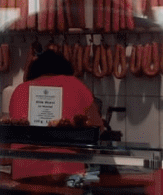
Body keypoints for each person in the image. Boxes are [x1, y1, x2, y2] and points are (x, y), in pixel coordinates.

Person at [8, 48, 103, 181]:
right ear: (64, 68)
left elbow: (12, 130)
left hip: (24, 174)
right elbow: (98, 128)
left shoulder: (20, 90)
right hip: (67, 173)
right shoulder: (76, 85)